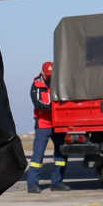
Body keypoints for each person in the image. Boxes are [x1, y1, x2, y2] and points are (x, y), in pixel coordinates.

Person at [28, 60, 65, 192]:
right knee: (37, 156)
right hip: (43, 125)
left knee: (61, 155)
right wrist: (54, 109)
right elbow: (38, 104)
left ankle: (57, 182)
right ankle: (32, 184)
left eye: (52, 75)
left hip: (58, 125)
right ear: (43, 73)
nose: (50, 77)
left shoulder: (60, 84)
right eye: (48, 75)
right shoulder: (36, 85)